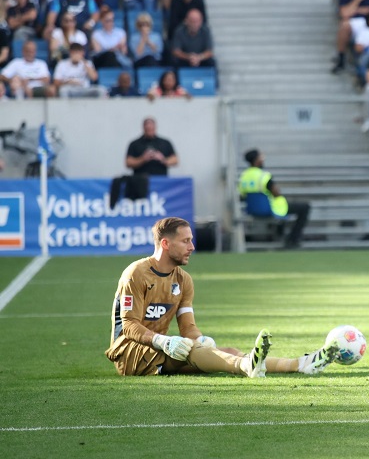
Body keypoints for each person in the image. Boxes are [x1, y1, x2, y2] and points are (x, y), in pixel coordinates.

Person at [105, 217, 338, 377]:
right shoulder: (136, 273)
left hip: (162, 351)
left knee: (227, 352)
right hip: (131, 353)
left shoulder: (183, 279)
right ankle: (246, 367)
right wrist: (163, 341)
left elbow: (188, 328)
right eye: (185, 241)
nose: (192, 246)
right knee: (194, 351)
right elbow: (129, 326)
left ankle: (300, 364)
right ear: (165, 243)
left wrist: (202, 339)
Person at [239, 149, 311, 249]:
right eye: (261, 157)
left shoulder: (244, 176)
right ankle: (293, 239)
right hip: (271, 209)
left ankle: (280, 233)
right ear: (256, 160)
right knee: (305, 207)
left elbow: (242, 195)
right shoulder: (263, 176)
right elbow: (276, 192)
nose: (263, 159)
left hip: (252, 210)